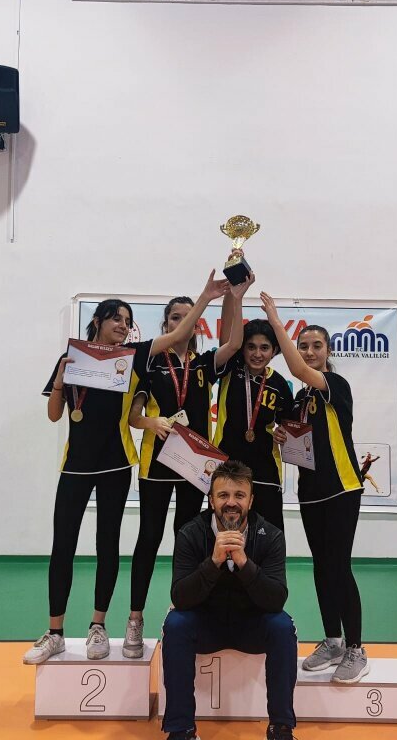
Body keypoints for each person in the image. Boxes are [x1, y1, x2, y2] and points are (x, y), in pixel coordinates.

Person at [23, 272, 231, 666]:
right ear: (97, 321)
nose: (122, 325)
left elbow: (178, 334)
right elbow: (54, 414)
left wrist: (206, 297)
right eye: (115, 318)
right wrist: (61, 381)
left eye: (127, 320)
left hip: (116, 465)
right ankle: (55, 633)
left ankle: (98, 625)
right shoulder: (73, 358)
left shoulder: (134, 357)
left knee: (108, 545)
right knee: (63, 545)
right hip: (75, 467)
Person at [123, 276, 250, 659]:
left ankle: (182, 608)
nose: (182, 323)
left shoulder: (203, 364)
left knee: (188, 538)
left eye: (188, 317)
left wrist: (236, 297)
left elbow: (234, 344)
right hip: (157, 465)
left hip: (195, 467)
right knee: (148, 538)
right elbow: (133, 416)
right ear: (166, 325)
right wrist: (152, 422)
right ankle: (135, 618)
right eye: (175, 318)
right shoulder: (150, 362)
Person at [260, 292, 369, 684]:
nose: (308, 352)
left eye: (315, 345)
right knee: (322, 568)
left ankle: (357, 648)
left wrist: (276, 321)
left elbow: (297, 368)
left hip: (341, 489)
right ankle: (333, 640)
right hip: (310, 493)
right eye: (303, 345)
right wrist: (279, 436)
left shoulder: (333, 384)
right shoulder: (301, 398)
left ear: (328, 351)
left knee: (339, 566)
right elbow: (292, 439)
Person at [161, 460, 296, 740]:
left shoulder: (270, 536)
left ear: (251, 500)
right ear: (211, 500)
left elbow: (276, 600)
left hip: (250, 626)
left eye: (239, 495)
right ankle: (181, 730)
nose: (231, 503)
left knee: (283, 626)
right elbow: (180, 597)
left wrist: (245, 564)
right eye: (223, 495)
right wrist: (213, 562)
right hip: (206, 625)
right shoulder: (190, 533)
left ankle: (281, 729)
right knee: (175, 624)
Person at [213, 317, 294, 531]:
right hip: (227, 464)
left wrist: (283, 433)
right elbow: (227, 340)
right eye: (251, 347)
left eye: (264, 348)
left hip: (266, 469)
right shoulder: (230, 369)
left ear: (274, 350)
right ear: (242, 348)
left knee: (270, 533)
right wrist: (235, 299)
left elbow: (289, 425)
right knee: (228, 532)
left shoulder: (279, 385)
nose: (257, 354)